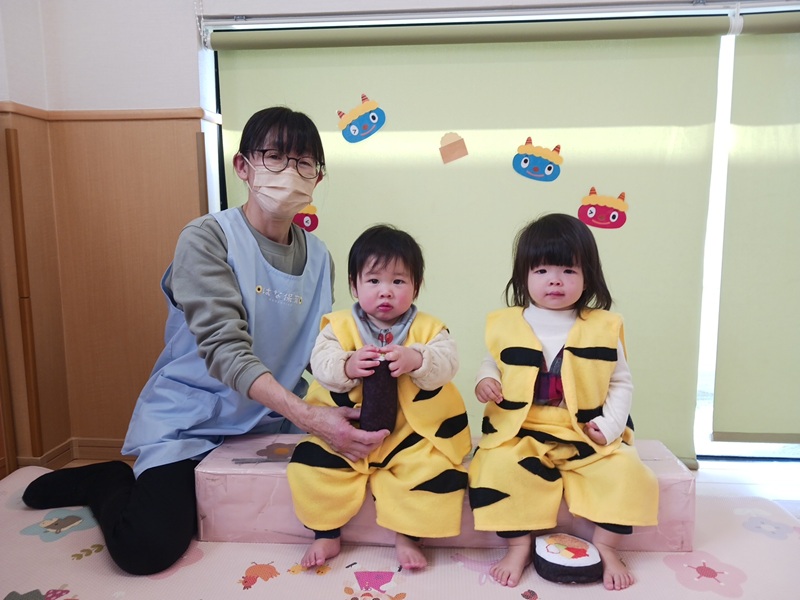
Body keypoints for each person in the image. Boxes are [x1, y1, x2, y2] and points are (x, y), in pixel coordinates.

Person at [21, 106, 388, 575]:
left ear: (316, 178)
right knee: (145, 548)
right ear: (243, 166)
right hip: (193, 419)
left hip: (271, 421)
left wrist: (359, 371)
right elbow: (226, 351)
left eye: (303, 163)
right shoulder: (207, 239)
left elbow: (318, 350)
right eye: (275, 157)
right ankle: (106, 480)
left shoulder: (319, 257)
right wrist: (309, 416)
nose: (289, 172)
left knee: (340, 501)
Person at [467, 213, 658, 590]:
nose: (555, 280)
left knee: (628, 473)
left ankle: (607, 545)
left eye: (568, 270)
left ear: (589, 276)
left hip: (583, 430)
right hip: (523, 429)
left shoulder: (603, 327)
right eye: (541, 270)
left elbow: (621, 382)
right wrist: (486, 380)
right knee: (495, 467)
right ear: (523, 276)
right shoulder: (507, 323)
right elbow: (492, 361)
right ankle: (518, 545)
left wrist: (609, 426)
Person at [287, 224, 472, 571]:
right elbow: (321, 362)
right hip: (345, 429)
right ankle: (326, 532)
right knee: (309, 463)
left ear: (416, 286)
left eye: (398, 281)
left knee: (434, 469)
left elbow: (448, 364)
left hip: (411, 434)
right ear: (354, 286)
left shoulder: (430, 329)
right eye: (373, 280)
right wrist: (347, 364)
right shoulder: (338, 326)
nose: (385, 291)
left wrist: (418, 359)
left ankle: (409, 535)